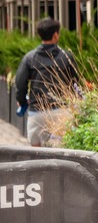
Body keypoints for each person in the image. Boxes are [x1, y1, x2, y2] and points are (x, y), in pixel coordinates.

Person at [15, 18, 79, 146]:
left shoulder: (29, 57)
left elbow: (20, 84)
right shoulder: (66, 56)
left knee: (36, 153)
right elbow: (76, 84)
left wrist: (22, 102)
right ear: (56, 35)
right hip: (61, 112)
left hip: (37, 112)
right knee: (61, 151)